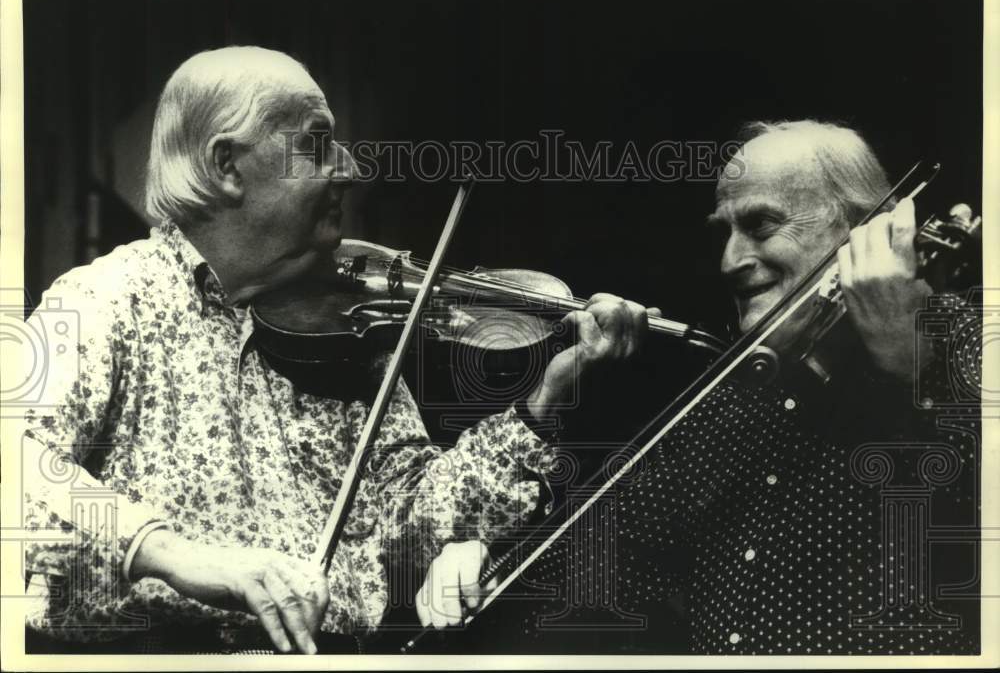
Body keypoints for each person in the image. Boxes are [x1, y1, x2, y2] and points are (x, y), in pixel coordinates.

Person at [19, 46, 651, 654]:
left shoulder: (344, 326)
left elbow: (410, 524)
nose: (349, 168)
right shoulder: (106, 300)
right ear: (227, 166)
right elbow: (18, 468)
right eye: (316, 145)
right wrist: (184, 560)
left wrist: (546, 401)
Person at [451, 120, 980, 655]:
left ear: (868, 230)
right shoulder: (733, 398)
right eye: (723, 233)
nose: (730, 260)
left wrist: (912, 362)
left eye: (762, 225)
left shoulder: (965, 341)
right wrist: (488, 567)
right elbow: (597, 577)